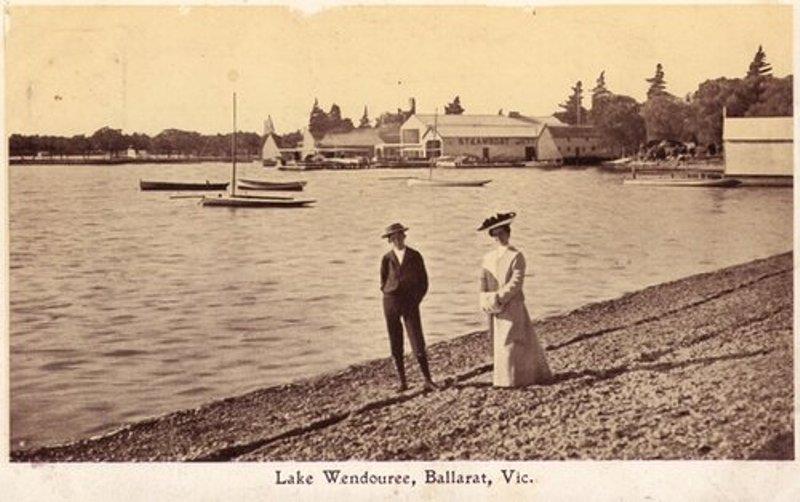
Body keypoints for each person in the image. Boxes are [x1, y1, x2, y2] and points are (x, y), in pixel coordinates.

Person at [477, 212, 552, 387]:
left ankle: (517, 378)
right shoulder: (488, 258)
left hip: (513, 304)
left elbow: (516, 282)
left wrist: (500, 298)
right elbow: (483, 280)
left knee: (513, 341)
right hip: (495, 307)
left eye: (502, 233)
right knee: (499, 341)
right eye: (495, 234)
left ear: (508, 233)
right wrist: (485, 299)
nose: (499, 237)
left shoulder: (516, 256)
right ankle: (503, 378)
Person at [380, 222, 438, 392]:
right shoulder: (387, 258)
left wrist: (416, 299)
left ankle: (428, 380)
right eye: (393, 238)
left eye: (400, 236)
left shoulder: (415, 255)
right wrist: (387, 292)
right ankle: (402, 382)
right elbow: (383, 280)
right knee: (395, 340)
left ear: (404, 237)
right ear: (390, 240)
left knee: (416, 338)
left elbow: (423, 282)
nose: (397, 240)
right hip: (390, 301)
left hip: (410, 302)